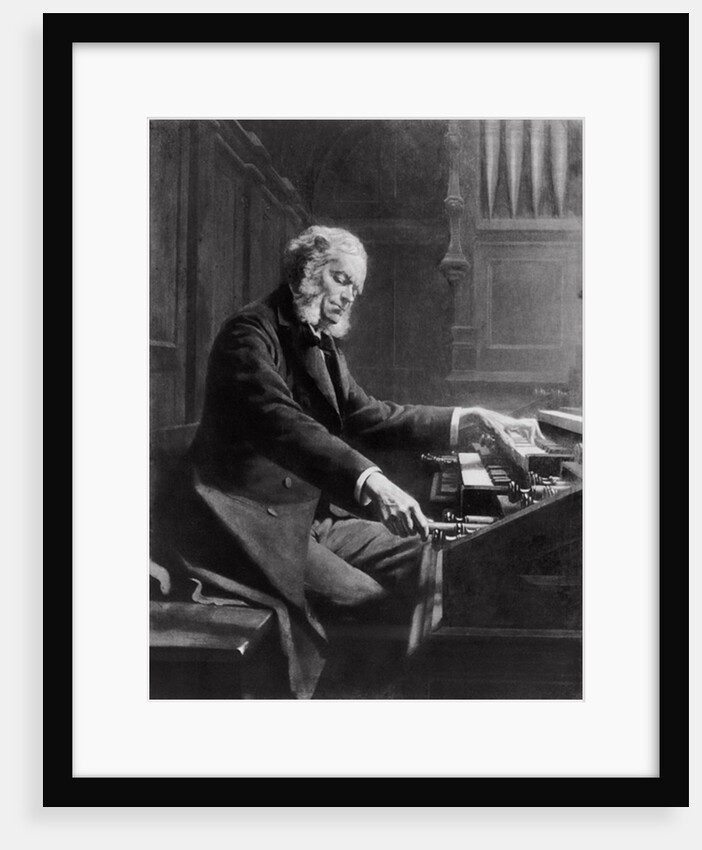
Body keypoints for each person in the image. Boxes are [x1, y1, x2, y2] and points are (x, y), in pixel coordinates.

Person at [154, 225, 544, 697]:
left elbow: (370, 414)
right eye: (342, 280)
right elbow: (283, 424)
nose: (348, 298)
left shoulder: (321, 344)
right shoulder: (248, 334)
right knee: (368, 601)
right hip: (245, 522)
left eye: (356, 290)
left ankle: (398, 697)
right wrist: (372, 481)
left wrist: (465, 418)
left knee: (428, 559)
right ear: (307, 272)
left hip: (306, 515)